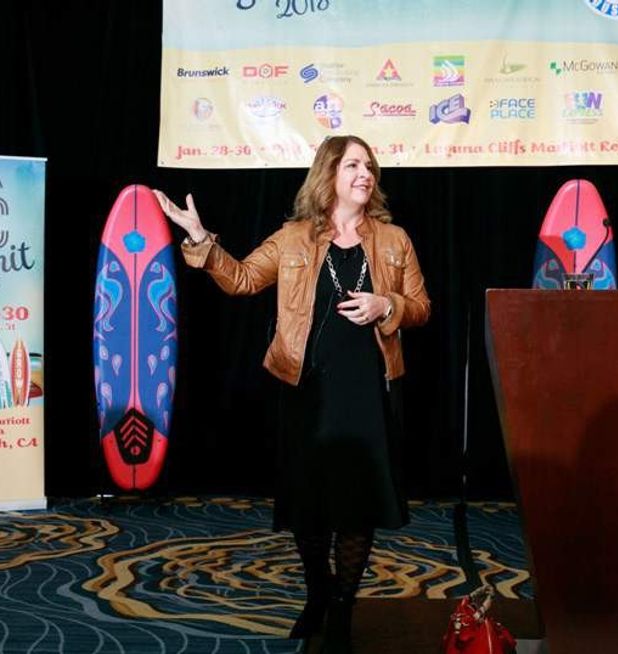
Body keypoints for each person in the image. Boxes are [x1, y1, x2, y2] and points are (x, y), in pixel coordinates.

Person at [154, 135, 430, 653]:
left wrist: (385, 305)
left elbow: (421, 306)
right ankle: (318, 592)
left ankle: (344, 607)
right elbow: (238, 280)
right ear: (328, 173)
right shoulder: (292, 238)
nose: (365, 174)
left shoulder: (394, 240)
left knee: (356, 504)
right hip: (305, 388)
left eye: (369, 167)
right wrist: (199, 239)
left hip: (366, 389)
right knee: (309, 505)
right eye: (353, 165)